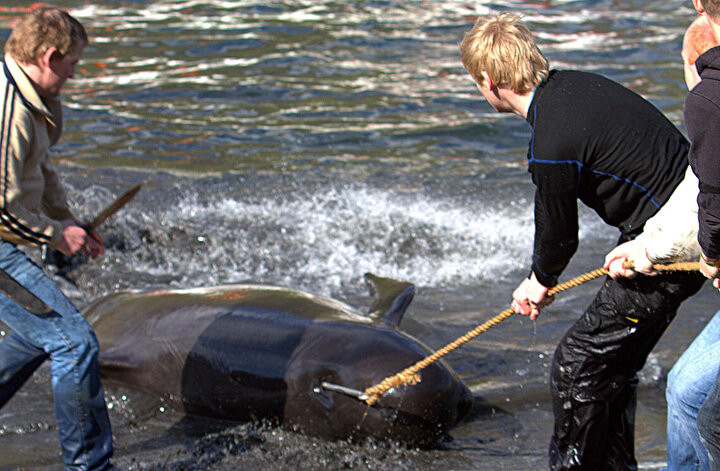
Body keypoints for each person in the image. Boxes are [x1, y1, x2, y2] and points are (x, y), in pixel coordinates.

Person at [459, 12, 706, 470]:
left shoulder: (550, 141)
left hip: (669, 248)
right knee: (609, 368)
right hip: (693, 217)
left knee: (576, 366)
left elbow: (559, 235)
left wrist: (538, 281)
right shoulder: (575, 85)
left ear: (488, 80)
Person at [604, 4, 719, 469]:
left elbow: (701, 211)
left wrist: (648, 252)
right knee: (684, 386)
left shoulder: (708, 100)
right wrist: (643, 247)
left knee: (701, 408)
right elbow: (697, 193)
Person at [0, 7, 114, 470]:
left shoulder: (34, 101)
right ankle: (90, 466)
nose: (74, 74)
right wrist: (53, 236)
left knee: (35, 336)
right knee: (73, 343)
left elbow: (40, 172)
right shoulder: (9, 110)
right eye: (73, 64)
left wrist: (71, 225)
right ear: (49, 56)